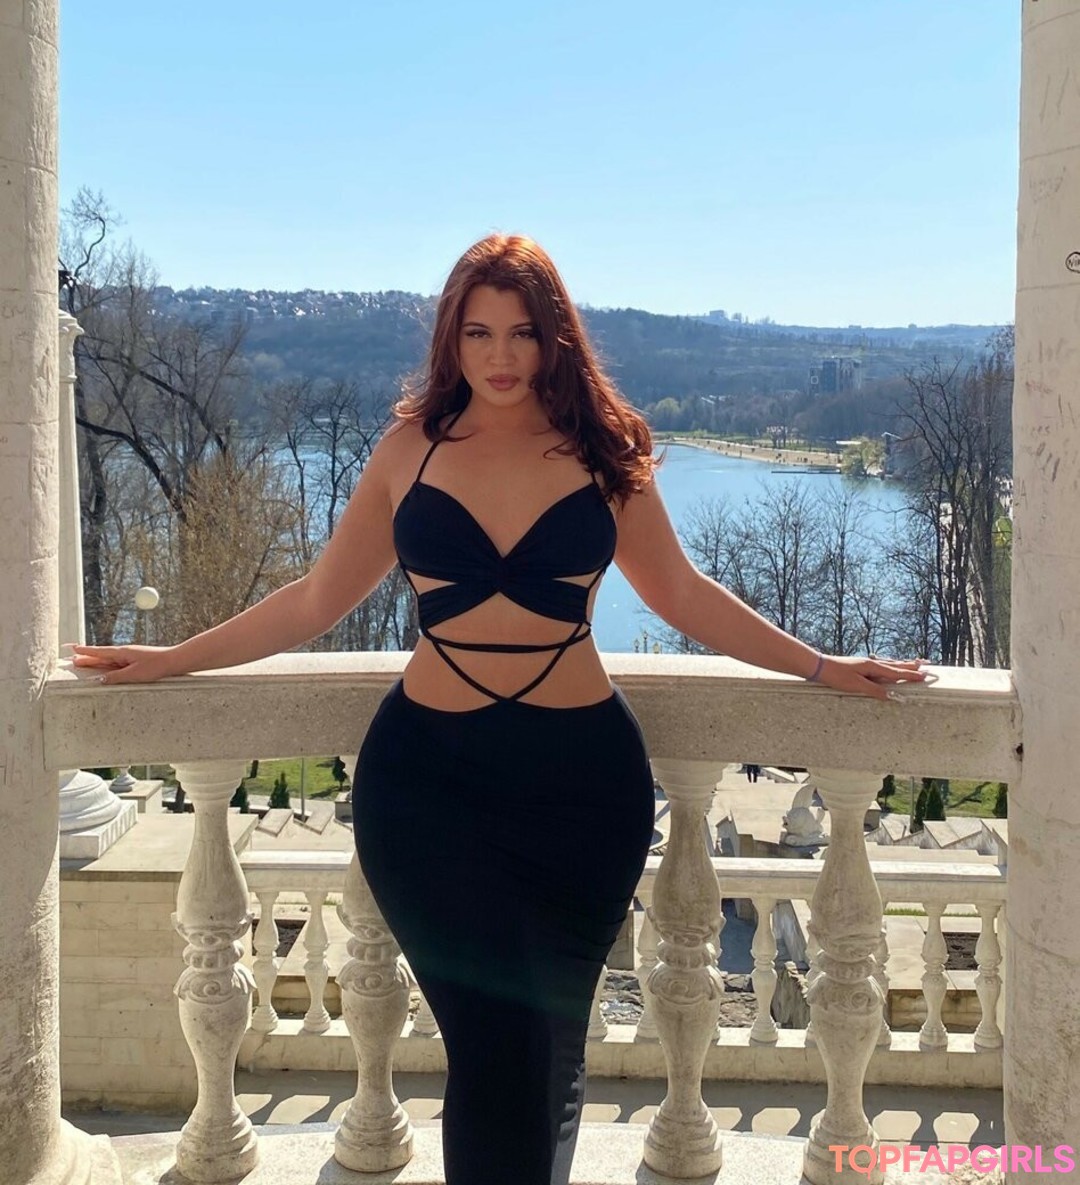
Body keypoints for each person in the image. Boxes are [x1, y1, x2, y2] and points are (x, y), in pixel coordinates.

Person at [69, 234, 927, 1185]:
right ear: (452, 339)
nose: (501, 355)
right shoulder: (411, 451)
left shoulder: (606, 453)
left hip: (582, 788)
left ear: (556, 338)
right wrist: (174, 658)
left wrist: (820, 665)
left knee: (552, 1045)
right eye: (478, 332)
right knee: (491, 1048)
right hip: (429, 790)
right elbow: (314, 600)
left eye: (522, 332)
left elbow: (684, 595)